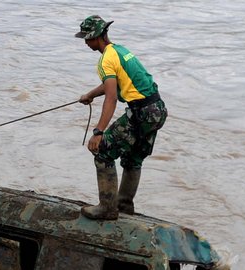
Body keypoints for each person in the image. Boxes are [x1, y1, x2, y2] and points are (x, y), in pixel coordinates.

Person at [75, 15, 168, 220]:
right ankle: (124, 206)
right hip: (157, 110)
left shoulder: (105, 60)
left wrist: (98, 132)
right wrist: (90, 95)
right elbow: (114, 83)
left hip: (141, 113)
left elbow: (111, 97)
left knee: (102, 150)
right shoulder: (120, 50)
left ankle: (107, 208)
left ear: (96, 37)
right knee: (133, 158)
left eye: (86, 38)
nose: (85, 42)